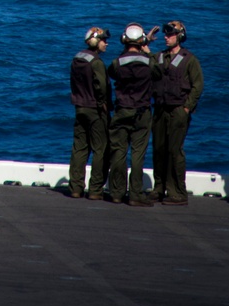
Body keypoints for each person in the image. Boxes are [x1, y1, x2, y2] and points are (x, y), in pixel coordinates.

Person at [107, 23, 160, 206]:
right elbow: (159, 73)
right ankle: (135, 194)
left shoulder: (117, 62)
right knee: (138, 154)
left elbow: (112, 73)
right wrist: (147, 50)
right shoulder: (149, 62)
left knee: (119, 152)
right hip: (142, 112)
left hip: (122, 110)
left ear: (124, 40)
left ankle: (116, 192)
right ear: (142, 41)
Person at [151, 19, 203, 205]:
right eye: (166, 34)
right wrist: (145, 43)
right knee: (158, 149)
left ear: (179, 36)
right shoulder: (159, 57)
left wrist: (187, 107)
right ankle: (159, 188)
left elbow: (197, 86)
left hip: (177, 110)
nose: (166, 37)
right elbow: (147, 65)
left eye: (170, 34)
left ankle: (177, 193)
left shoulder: (189, 60)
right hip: (160, 109)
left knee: (174, 151)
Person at [68, 27, 111, 199]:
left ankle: (76, 188)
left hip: (79, 107)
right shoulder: (97, 62)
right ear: (95, 41)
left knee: (79, 148)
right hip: (95, 110)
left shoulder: (77, 58)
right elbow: (101, 85)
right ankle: (95, 190)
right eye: (103, 40)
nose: (106, 43)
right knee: (100, 149)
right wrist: (103, 103)